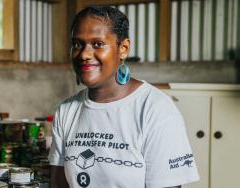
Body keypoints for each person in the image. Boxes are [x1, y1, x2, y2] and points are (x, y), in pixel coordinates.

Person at [48, 5, 199, 188]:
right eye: (77, 44)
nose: (84, 54)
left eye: (97, 44)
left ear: (123, 48)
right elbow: (58, 182)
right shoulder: (66, 111)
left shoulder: (155, 109)